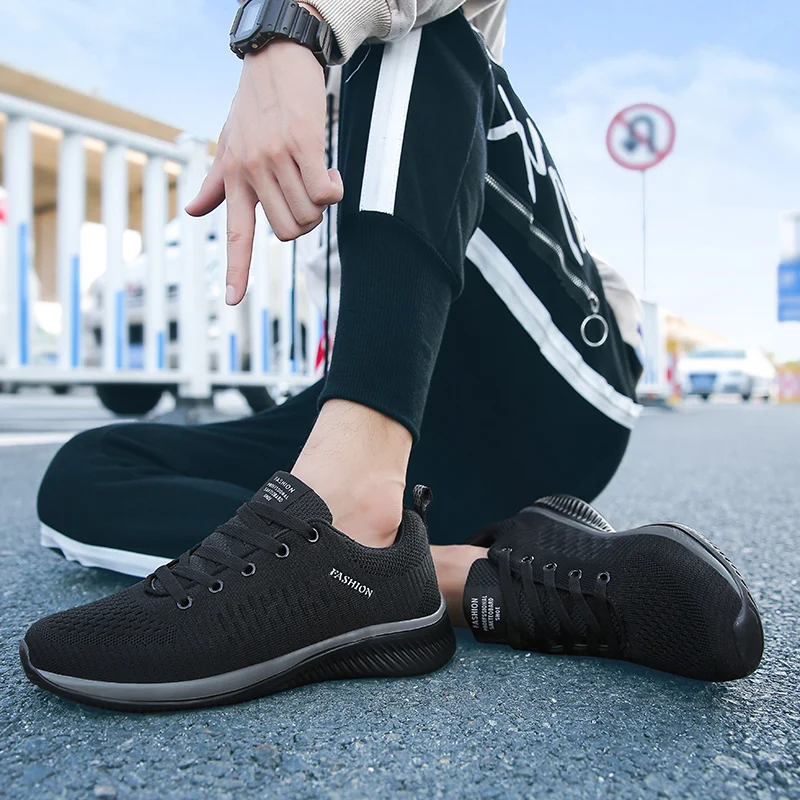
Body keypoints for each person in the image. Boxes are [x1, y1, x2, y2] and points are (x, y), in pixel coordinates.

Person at [20, 0, 763, 711]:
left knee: (413, 36)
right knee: (91, 470)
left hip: (551, 385)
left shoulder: (342, 45)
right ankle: (427, 575)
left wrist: (292, 27)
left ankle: (354, 506)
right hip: (407, 430)